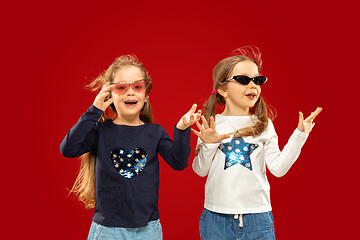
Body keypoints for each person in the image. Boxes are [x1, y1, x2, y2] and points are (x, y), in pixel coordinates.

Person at [60, 55, 200, 240]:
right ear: (110, 95)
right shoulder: (100, 131)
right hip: (107, 231)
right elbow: (68, 149)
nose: (130, 92)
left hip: (148, 230)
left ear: (146, 96)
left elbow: (179, 162)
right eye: (121, 87)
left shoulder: (155, 132)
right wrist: (94, 110)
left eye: (137, 87)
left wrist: (181, 130)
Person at [191, 46, 322, 239]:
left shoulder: (264, 125)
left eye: (257, 80)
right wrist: (209, 144)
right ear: (222, 89)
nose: (253, 85)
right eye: (244, 80)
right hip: (215, 217)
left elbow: (278, 168)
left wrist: (299, 134)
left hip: (258, 218)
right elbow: (200, 170)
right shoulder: (212, 124)